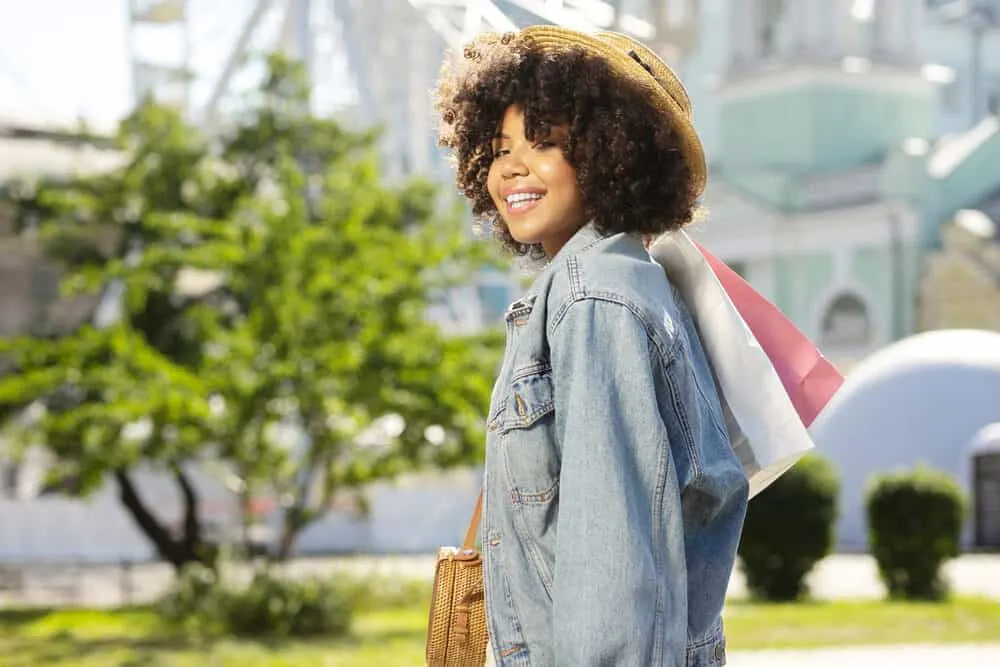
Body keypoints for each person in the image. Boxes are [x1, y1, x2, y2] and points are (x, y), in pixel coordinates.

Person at [434, 26, 749, 666]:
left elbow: (614, 557)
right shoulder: (615, 282)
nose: (512, 167)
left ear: (612, 152)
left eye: (544, 142)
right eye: (497, 148)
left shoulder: (593, 300)